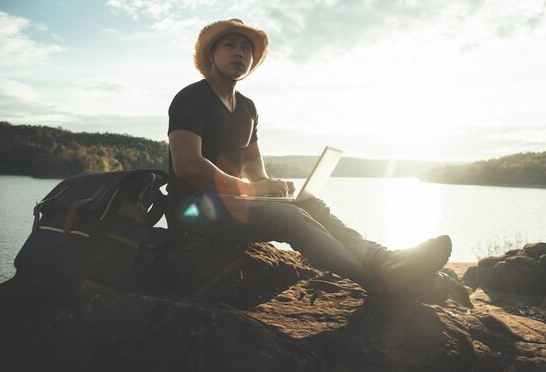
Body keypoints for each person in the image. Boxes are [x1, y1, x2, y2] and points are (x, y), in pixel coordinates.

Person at [167, 18, 452, 293]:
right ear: (211, 55)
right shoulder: (191, 98)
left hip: (231, 202)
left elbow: (252, 159)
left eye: (247, 48)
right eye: (229, 45)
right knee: (290, 216)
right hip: (192, 209)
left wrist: (268, 185)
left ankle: (381, 258)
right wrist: (251, 189)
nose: (240, 52)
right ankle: (378, 280)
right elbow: (188, 165)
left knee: (310, 204)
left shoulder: (247, 108)